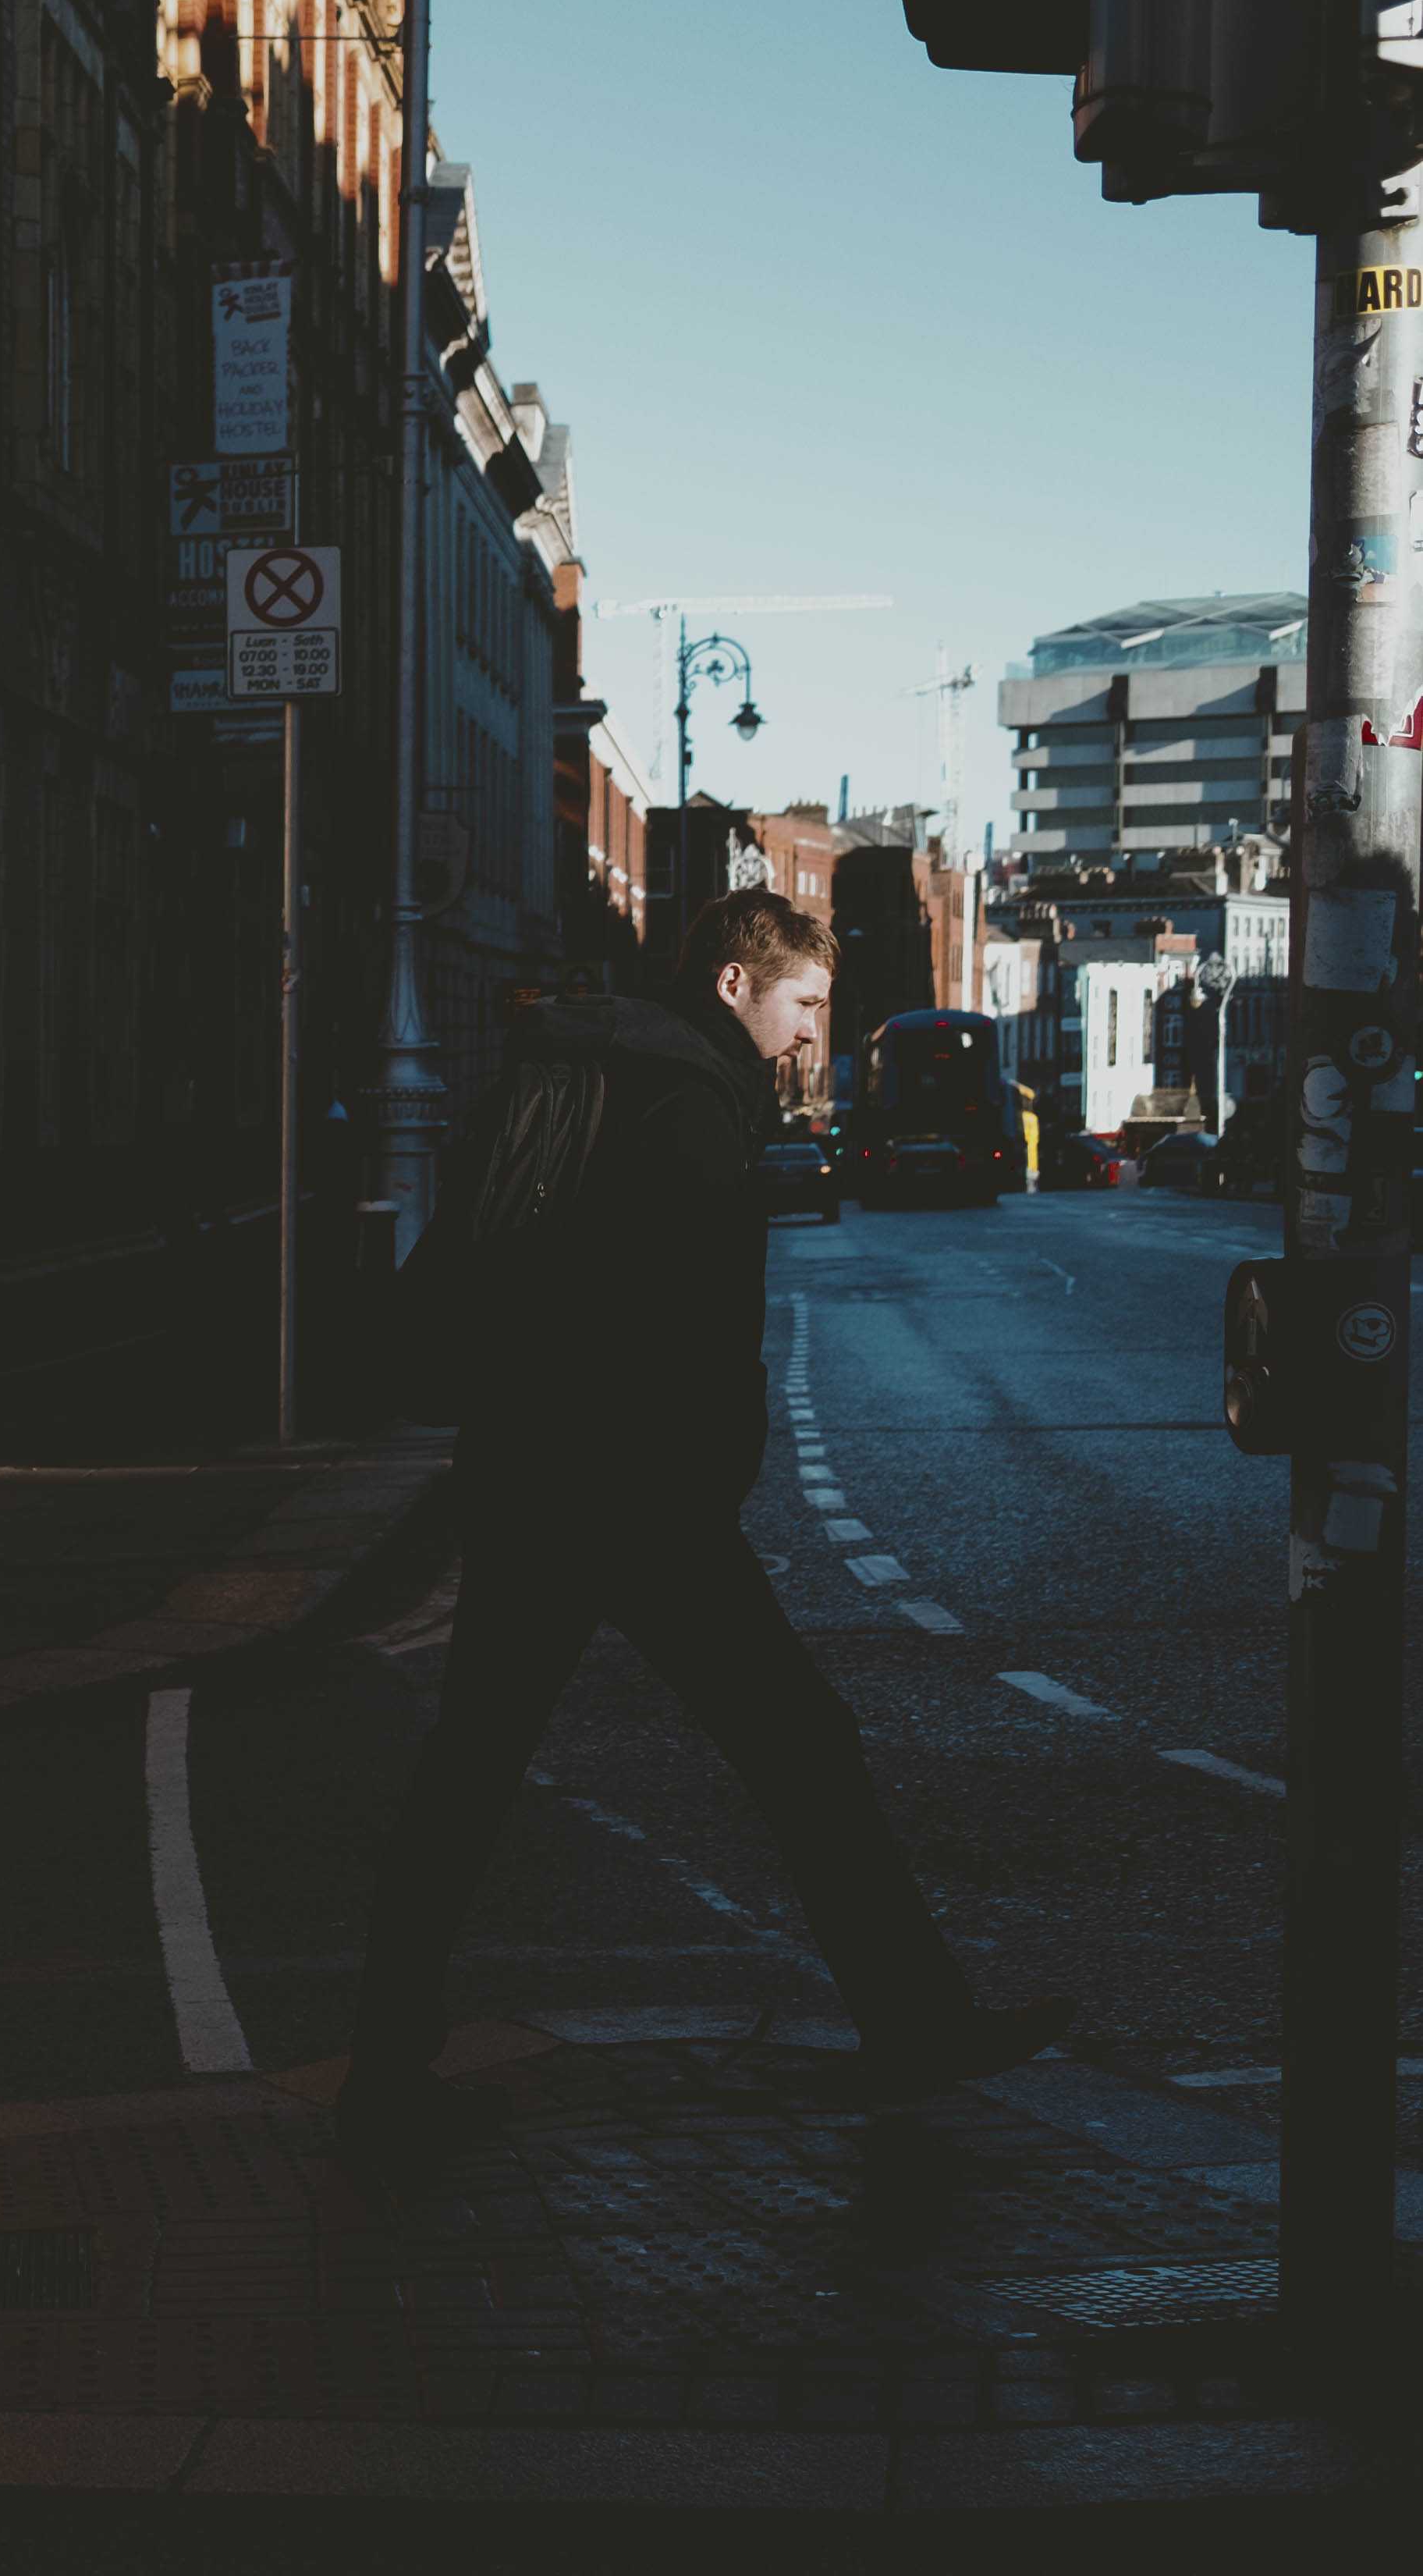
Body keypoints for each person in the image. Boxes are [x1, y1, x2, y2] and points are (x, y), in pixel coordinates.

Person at [348, 889, 1070, 2176]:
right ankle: (911, 2024)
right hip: (630, 1501)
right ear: (737, 982)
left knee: (471, 1770)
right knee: (799, 1746)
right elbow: (668, 1328)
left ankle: (380, 2070)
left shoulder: (593, 1070)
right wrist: (704, 1473)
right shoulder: (683, 1103)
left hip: (534, 1479)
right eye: (798, 1005)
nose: (805, 1037)